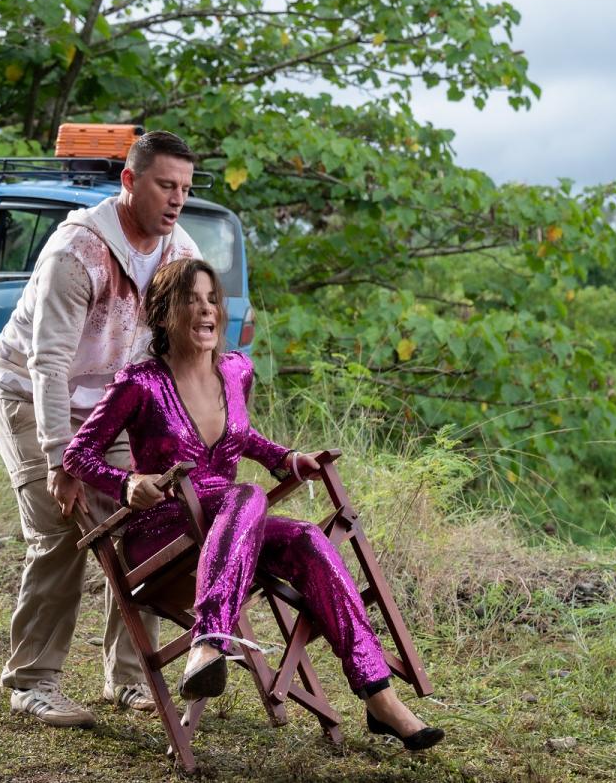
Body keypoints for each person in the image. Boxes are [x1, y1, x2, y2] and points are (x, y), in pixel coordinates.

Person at [63, 258, 444, 751]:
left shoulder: (237, 370)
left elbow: (240, 437)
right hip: (164, 536)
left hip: (230, 532)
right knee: (246, 495)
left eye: (211, 299)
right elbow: (79, 454)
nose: (205, 310)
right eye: (189, 300)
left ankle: (380, 699)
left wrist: (284, 457)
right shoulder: (139, 382)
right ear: (161, 314)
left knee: (306, 538)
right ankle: (211, 637)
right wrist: (126, 481)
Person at [0, 131, 202, 727]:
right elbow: (47, 364)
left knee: (147, 517)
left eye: (184, 187)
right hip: (29, 396)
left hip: (109, 405)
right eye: (165, 185)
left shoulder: (178, 252)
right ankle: (32, 683)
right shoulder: (76, 253)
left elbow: (176, 354)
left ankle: (130, 677)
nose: (177, 199)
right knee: (62, 528)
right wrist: (62, 462)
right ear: (130, 182)